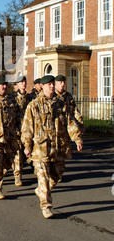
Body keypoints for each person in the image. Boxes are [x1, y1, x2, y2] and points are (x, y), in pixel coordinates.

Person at [21, 75, 83, 219]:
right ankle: (46, 205)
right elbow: (27, 128)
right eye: (49, 84)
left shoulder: (61, 105)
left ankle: (42, 190)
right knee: (43, 177)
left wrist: (77, 139)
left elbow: (70, 123)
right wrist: (27, 146)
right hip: (40, 149)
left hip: (57, 148)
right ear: (42, 86)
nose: (52, 87)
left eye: (53, 84)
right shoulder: (34, 105)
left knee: (57, 174)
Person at [10, 75, 31, 186]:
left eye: (24, 81)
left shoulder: (29, 97)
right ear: (17, 85)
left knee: (25, 154)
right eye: (21, 82)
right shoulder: (12, 98)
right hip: (16, 130)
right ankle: (17, 176)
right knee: (17, 153)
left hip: (27, 130)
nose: (23, 84)